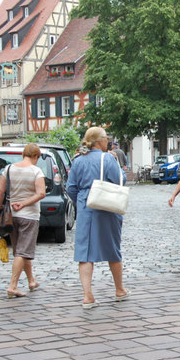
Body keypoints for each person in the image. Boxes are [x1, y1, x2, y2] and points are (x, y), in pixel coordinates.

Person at [66, 126, 130, 308]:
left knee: (84, 251)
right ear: (100, 141)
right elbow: (120, 180)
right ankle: (119, 290)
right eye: (106, 137)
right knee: (112, 247)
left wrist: (82, 199)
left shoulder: (78, 160)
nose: (108, 140)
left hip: (86, 205)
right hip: (107, 204)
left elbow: (70, 187)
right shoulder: (108, 158)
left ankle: (88, 296)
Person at [0, 143, 46, 298]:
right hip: (29, 215)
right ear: (36, 156)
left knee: (19, 250)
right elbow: (41, 193)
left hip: (11, 216)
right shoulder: (36, 171)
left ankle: (31, 281)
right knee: (23, 251)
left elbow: (0, 191)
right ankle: (13, 285)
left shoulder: (9, 169)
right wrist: (24, 203)